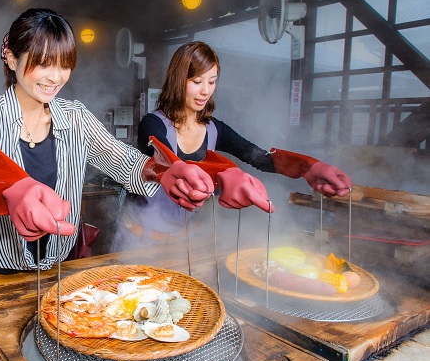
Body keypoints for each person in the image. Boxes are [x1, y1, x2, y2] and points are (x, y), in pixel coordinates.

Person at [0, 8, 216, 277]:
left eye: (64, 64)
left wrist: (164, 171)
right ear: (11, 58)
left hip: (57, 267)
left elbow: (123, 160)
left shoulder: (75, 117)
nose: (55, 77)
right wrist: (8, 190)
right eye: (43, 63)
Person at [111, 41, 352, 251]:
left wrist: (308, 168)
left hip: (183, 243)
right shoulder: (152, 124)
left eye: (212, 81)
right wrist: (224, 173)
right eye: (196, 81)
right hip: (138, 240)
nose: (205, 90)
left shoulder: (216, 129)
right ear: (178, 81)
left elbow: (259, 158)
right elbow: (169, 164)